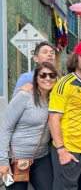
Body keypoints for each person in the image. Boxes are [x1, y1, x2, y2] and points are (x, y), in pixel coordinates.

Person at [48, 41, 81, 190]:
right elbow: (53, 119)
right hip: (68, 150)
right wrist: (61, 150)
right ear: (76, 58)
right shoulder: (64, 83)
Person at [0, 62, 57, 190]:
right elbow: (6, 129)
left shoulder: (55, 98)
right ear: (36, 78)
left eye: (52, 75)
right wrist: (2, 161)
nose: (47, 78)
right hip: (16, 159)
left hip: (41, 157)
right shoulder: (24, 96)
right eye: (43, 75)